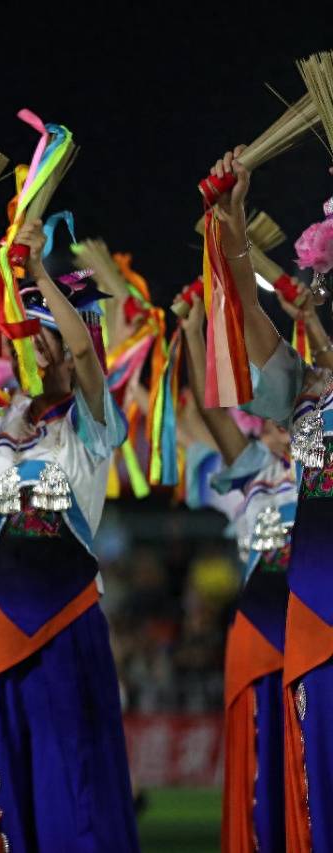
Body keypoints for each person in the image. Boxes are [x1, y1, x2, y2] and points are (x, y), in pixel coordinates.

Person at [0, 220, 138, 851]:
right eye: (22, 342)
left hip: (65, 618)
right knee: (4, 773)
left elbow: (83, 356)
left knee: (70, 776)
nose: (34, 354)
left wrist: (40, 274)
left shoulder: (91, 426)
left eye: (41, 341)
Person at [211, 148, 333, 849]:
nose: (318, 296)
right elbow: (246, 318)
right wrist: (227, 231)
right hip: (314, 610)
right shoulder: (304, 394)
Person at [180, 290, 294, 851]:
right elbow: (207, 410)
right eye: (271, 422)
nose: (281, 431)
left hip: (314, 628)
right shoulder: (251, 472)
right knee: (261, 755)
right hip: (258, 631)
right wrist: (192, 331)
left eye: (290, 420)